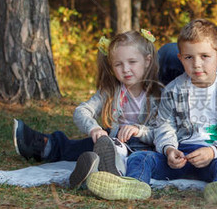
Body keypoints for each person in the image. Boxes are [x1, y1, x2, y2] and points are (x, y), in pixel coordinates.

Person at [85, 19, 217, 203]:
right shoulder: (173, 90)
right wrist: (169, 149)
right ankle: (133, 185)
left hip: (214, 156)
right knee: (141, 157)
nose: (197, 64)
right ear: (180, 58)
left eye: (205, 56)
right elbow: (164, 126)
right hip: (179, 154)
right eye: (189, 57)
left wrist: (212, 152)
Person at [12, 30, 160, 188]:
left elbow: (162, 131)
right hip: (113, 141)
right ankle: (49, 148)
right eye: (118, 64)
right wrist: (94, 128)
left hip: (141, 149)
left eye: (132, 62)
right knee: (92, 144)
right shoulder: (110, 91)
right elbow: (81, 111)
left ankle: (98, 172)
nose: (125, 69)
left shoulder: (158, 95)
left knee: (130, 159)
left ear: (147, 61)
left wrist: (138, 131)